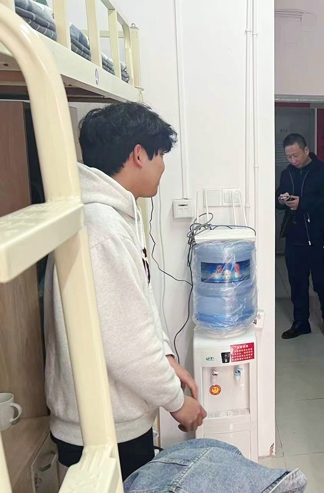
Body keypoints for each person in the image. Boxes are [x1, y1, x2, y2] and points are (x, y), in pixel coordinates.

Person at [44, 103, 207, 480]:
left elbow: (134, 310)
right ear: (138, 155)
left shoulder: (111, 214)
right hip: (102, 427)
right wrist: (177, 402)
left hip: (111, 416)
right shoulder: (101, 228)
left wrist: (167, 357)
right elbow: (126, 346)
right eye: (160, 155)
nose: (162, 167)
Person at [276, 134, 324, 348]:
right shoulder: (287, 173)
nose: (293, 160)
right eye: (289, 156)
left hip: (318, 236)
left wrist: (302, 203)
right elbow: (278, 197)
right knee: (297, 284)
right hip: (295, 236)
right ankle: (301, 322)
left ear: (306, 150)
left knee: (323, 284)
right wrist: (281, 200)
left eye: (296, 155)